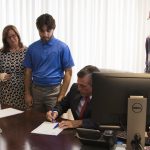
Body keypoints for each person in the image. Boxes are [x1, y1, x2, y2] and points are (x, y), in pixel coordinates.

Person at [23, 13, 74, 112]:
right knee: (35, 120)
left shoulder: (62, 47)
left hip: (54, 91)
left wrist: (62, 94)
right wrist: (27, 94)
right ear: (38, 30)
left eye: (48, 31)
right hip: (36, 90)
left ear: (53, 29)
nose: (45, 34)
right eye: (42, 31)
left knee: (53, 121)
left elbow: (68, 72)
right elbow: (28, 72)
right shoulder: (32, 48)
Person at [46, 65, 100, 129]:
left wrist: (78, 123)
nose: (79, 88)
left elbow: (100, 121)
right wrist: (55, 112)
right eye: (78, 84)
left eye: (83, 86)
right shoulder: (75, 88)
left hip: (94, 135)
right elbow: (62, 105)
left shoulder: (104, 97)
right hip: (75, 133)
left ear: (95, 85)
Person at [0, 25, 27, 109]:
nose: (12, 39)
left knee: (22, 118)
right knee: (7, 119)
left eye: (13, 36)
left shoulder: (27, 51)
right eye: (8, 37)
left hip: (22, 92)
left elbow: (31, 71)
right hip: (6, 93)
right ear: (5, 40)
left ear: (18, 35)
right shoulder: (1, 52)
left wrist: (28, 92)